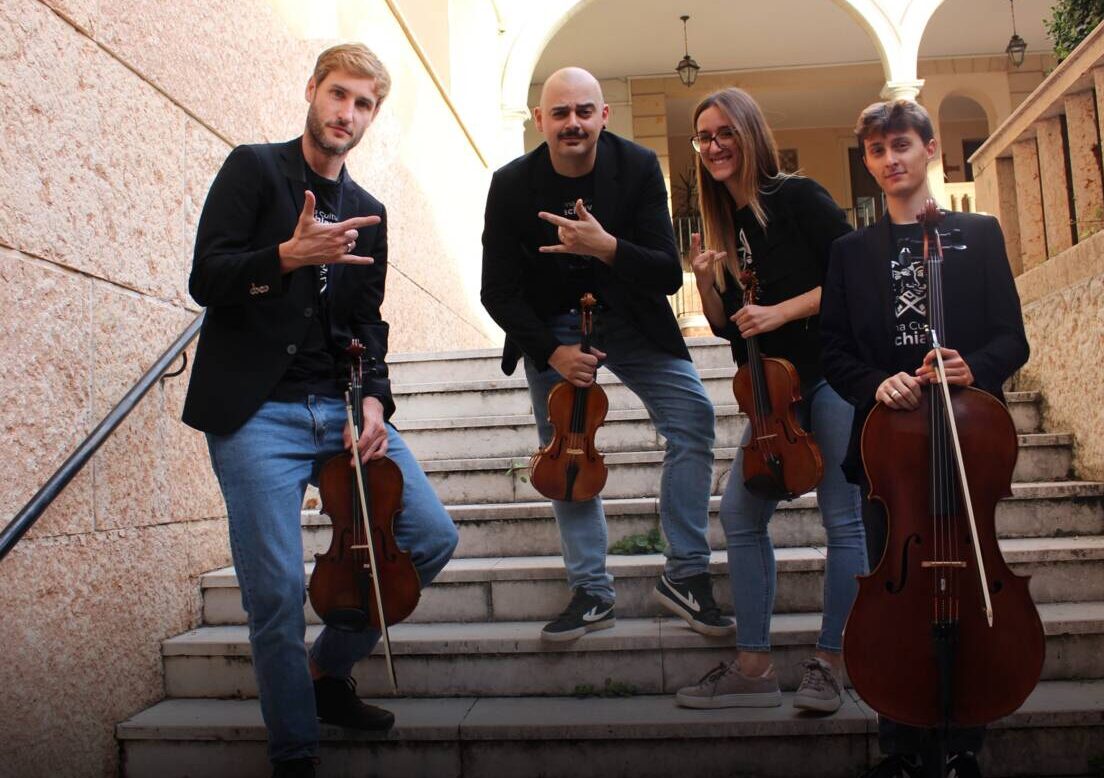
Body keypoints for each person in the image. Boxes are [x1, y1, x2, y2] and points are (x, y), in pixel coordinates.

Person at [182, 43, 459, 778]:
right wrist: (286, 257)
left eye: (364, 103)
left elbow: (368, 324)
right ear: (312, 90)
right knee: (274, 591)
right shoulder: (254, 169)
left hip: (339, 413)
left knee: (431, 538)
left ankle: (324, 672)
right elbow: (207, 277)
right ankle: (295, 753)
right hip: (256, 416)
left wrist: (373, 400)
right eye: (338, 94)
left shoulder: (371, 211)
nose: (347, 113)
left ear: (373, 115)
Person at [481, 67, 732, 642]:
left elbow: (667, 273)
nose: (573, 123)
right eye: (560, 113)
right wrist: (552, 352)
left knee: (693, 417)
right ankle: (592, 591)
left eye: (584, 111)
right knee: (565, 453)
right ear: (540, 120)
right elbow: (496, 290)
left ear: (604, 116)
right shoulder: (511, 184)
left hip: (632, 318)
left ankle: (685, 575)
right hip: (552, 327)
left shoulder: (638, 167)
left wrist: (607, 247)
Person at [820, 99, 1029, 778]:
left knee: (972, 584)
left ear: (931, 148)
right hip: (890, 455)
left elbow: (1012, 338)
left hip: (968, 444)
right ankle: (902, 746)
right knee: (896, 596)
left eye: (902, 145)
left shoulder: (978, 234)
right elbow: (833, 349)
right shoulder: (851, 252)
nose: (890, 160)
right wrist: (876, 383)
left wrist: (977, 367)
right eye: (877, 150)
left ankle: (966, 741)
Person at [671, 88, 867, 714]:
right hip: (772, 398)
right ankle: (754, 668)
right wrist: (705, 283)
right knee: (739, 514)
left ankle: (831, 665)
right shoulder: (723, 225)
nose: (714, 145)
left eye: (725, 131)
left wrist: (781, 311)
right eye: (705, 137)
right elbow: (730, 329)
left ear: (750, 133)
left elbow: (853, 275)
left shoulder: (798, 196)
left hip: (829, 376)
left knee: (843, 520)